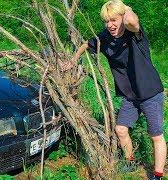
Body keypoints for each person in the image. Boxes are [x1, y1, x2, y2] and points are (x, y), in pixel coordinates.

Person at [62, 0, 166, 179]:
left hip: (150, 92)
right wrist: (73, 60)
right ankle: (130, 161)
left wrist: (126, 9)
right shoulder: (105, 37)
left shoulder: (135, 34)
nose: (110, 25)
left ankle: (157, 175)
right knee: (121, 129)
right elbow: (86, 45)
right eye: (106, 21)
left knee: (155, 135)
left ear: (122, 17)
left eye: (114, 20)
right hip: (130, 95)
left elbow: (132, 22)